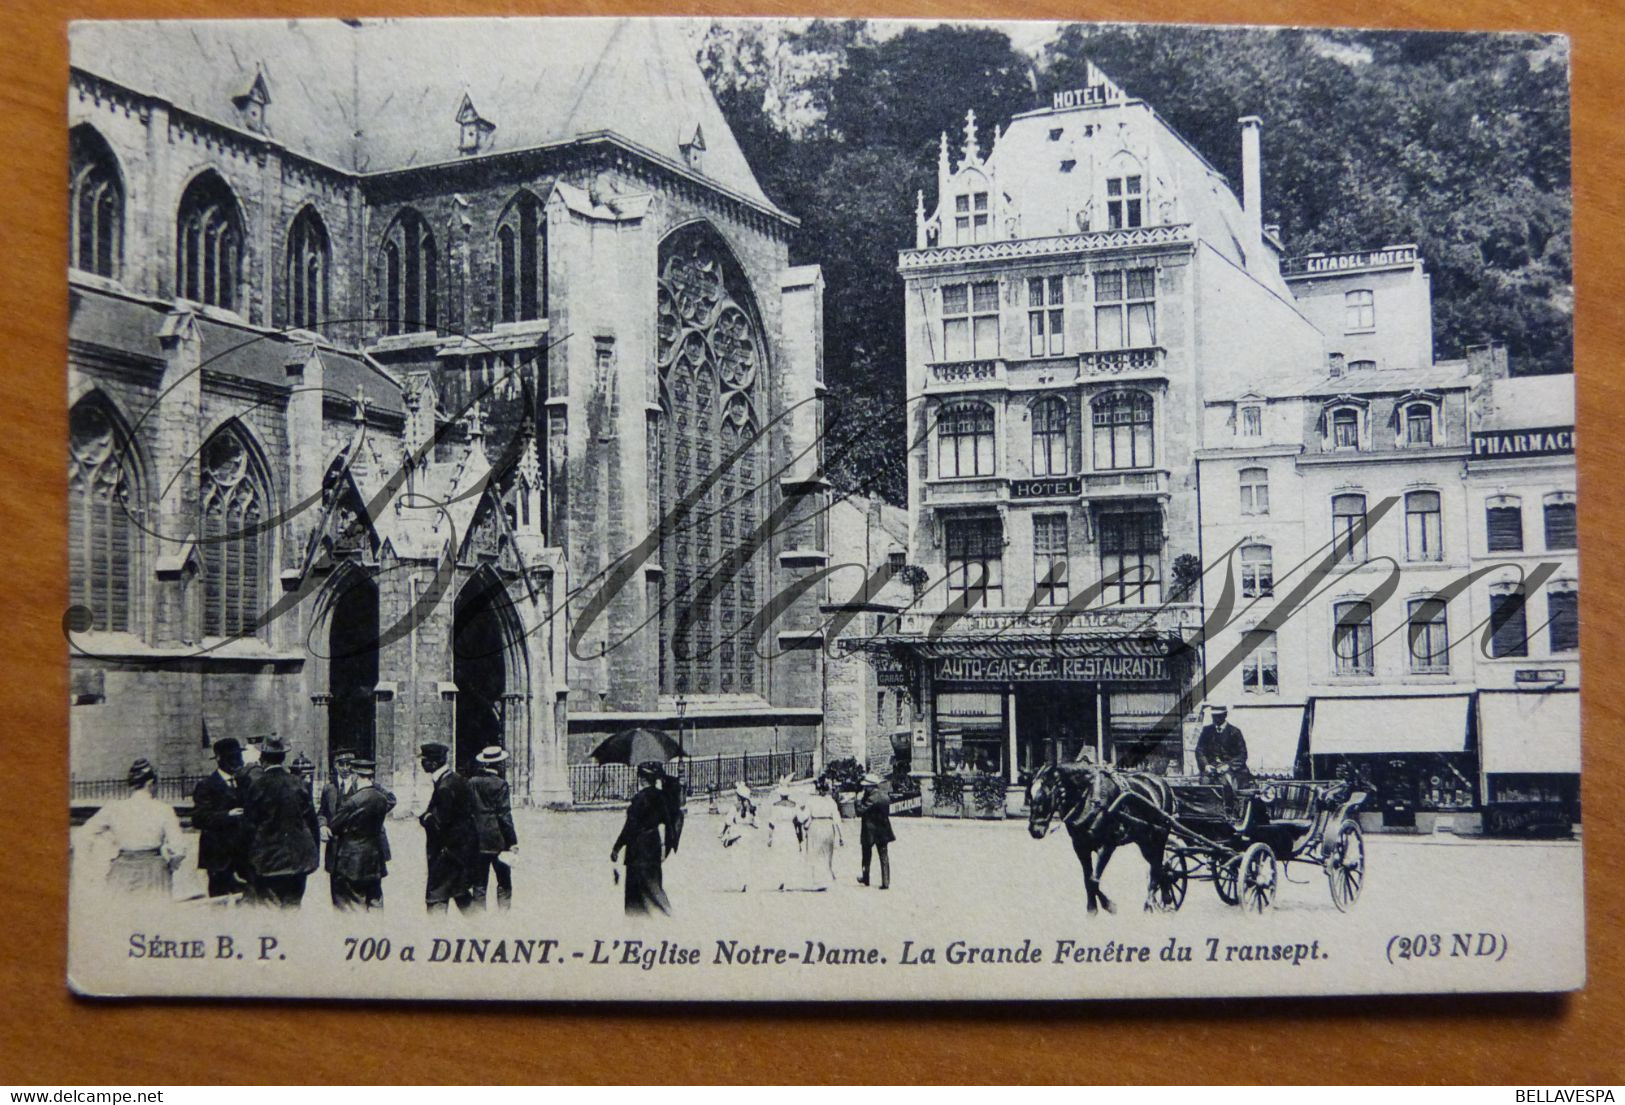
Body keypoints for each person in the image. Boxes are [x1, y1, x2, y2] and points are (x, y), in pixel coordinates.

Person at [82, 758, 187, 900]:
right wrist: (170, 866)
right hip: (154, 870)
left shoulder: (113, 808)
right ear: (150, 783)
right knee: (155, 917)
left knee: (122, 916)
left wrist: (94, 866)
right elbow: (179, 848)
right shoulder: (163, 809)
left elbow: (83, 834)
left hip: (121, 870)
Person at [244, 736, 321, 909]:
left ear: (262, 758)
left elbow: (248, 826)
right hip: (298, 861)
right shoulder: (298, 783)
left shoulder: (258, 785)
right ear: (284, 758)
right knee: (293, 908)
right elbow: (312, 822)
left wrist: (248, 861)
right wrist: (314, 855)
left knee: (271, 912)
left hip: (269, 862)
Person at [418, 741, 479, 914]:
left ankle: (436, 935)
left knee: (435, 897)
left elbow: (440, 822)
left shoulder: (445, 787)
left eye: (424, 760)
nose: (422, 763)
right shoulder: (455, 779)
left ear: (434, 763)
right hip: (459, 851)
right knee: (460, 894)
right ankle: (484, 926)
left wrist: (425, 818)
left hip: (446, 853)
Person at [328, 758, 395, 911]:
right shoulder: (381, 798)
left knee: (353, 905)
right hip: (375, 857)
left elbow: (335, 826)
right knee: (375, 902)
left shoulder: (353, 801)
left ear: (356, 776)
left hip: (353, 860)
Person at [610, 761, 673, 916]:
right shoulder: (661, 797)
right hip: (654, 846)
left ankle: (645, 921)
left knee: (636, 894)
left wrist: (617, 847)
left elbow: (629, 828)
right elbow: (670, 823)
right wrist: (665, 847)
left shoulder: (639, 799)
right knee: (654, 884)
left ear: (641, 778)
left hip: (637, 850)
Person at [192, 737, 250, 899]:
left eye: (238, 756)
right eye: (231, 757)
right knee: (219, 901)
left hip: (242, 856)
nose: (237, 761)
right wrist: (227, 815)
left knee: (245, 903)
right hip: (218, 857)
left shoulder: (245, 782)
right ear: (219, 759)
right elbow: (198, 818)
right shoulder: (207, 785)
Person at [468, 746, 518, 911]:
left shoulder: (472, 782)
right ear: (499, 764)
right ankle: (503, 916)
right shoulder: (501, 784)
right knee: (504, 880)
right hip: (498, 840)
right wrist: (512, 841)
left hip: (477, 839)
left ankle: (479, 920)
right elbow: (504, 815)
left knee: (479, 883)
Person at [318, 751, 356, 906]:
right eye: (342, 764)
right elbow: (322, 812)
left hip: (354, 846)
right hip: (334, 846)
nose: (345, 768)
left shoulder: (360, 785)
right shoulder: (329, 788)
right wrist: (322, 825)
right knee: (337, 892)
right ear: (335, 766)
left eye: (349, 764)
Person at [1195, 703, 1253, 801]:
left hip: (1232, 770)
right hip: (1212, 770)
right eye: (1213, 716)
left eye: (1218, 716)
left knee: (1228, 785)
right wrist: (1206, 765)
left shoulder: (1235, 732)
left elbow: (1243, 754)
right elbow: (1199, 750)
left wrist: (1228, 766)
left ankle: (1232, 811)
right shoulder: (1207, 731)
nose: (1215, 718)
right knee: (1204, 785)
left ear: (1225, 715)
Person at [797, 777, 844, 891]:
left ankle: (818, 880)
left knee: (815, 853)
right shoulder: (831, 801)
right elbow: (837, 818)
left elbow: (803, 817)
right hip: (828, 825)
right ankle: (827, 878)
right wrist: (841, 835)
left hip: (816, 826)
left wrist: (799, 810)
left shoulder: (811, 801)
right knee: (827, 853)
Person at [855, 771, 894, 890]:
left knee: (866, 854)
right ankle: (886, 881)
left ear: (870, 786)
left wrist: (857, 800)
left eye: (866, 787)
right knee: (884, 856)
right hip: (883, 829)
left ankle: (866, 877)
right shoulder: (884, 795)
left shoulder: (871, 798)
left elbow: (860, 811)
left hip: (870, 830)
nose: (864, 788)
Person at [717, 781, 758, 892]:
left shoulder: (735, 807)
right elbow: (757, 824)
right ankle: (747, 881)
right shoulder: (752, 808)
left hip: (737, 834)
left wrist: (723, 832)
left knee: (737, 858)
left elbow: (728, 821)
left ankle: (741, 882)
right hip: (748, 834)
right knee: (746, 858)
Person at [762, 783, 803, 892]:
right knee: (790, 854)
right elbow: (798, 821)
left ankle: (781, 879)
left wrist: (770, 837)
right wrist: (799, 837)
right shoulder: (795, 805)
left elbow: (771, 823)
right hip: (790, 829)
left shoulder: (775, 806)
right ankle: (789, 880)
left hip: (779, 830)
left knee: (780, 854)